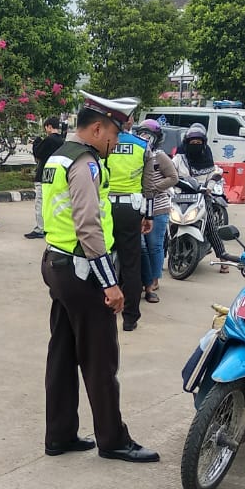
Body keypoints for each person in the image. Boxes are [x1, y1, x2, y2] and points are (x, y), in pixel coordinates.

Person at [41, 92, 158, 464]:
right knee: (100, 358)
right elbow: (88, 225)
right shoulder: (85, 162)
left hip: (56, 263)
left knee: (62, 353)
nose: (116, 143)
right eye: (114, 135)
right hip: (80, 268)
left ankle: (59, 434)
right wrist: (111, 283)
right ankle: (113, 440)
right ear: (96, 128)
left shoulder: (59, 155)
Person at [106, 112, 178, 330]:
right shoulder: (141, 146)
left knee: (102, 258)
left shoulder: (104, 143)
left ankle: (103, 308)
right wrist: (147, 215)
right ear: (130, 122)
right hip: (131, 209)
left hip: (105, 206)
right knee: (131, 263)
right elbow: (147, 187)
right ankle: (130, 318)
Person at [170, 123, 231, 273]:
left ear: (203, 144)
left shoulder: (206, 156)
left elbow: (214, 173)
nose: (195, 145)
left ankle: (223, 258)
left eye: (199, 143)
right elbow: (170, 171)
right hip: (180, 196)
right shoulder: (179, 157)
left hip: (201, 196)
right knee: (168, 224)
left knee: (210, 226)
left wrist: (209, 186)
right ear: (187, 143)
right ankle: (165, 256)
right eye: (193, 143)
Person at [133, 120, 176, 303]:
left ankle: (155, 280)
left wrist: (152, 189)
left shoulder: (159, 156)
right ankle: (145, 278)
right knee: (141, 247)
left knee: (154, 246)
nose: (145, 138)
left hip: (157, 207)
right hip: (139, 207)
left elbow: (173, 177)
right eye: (142, 134)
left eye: (148, 135)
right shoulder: (137, 154)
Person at [26, 117, 65, 238]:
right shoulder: (62, 141)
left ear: (48, 126)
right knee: (53, 203)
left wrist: (36, 142)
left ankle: (40, 228)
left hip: (43, 174)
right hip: (56, 175)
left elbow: (38, 153)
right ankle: (51, 226)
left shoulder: (49, 140)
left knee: (40, 202)